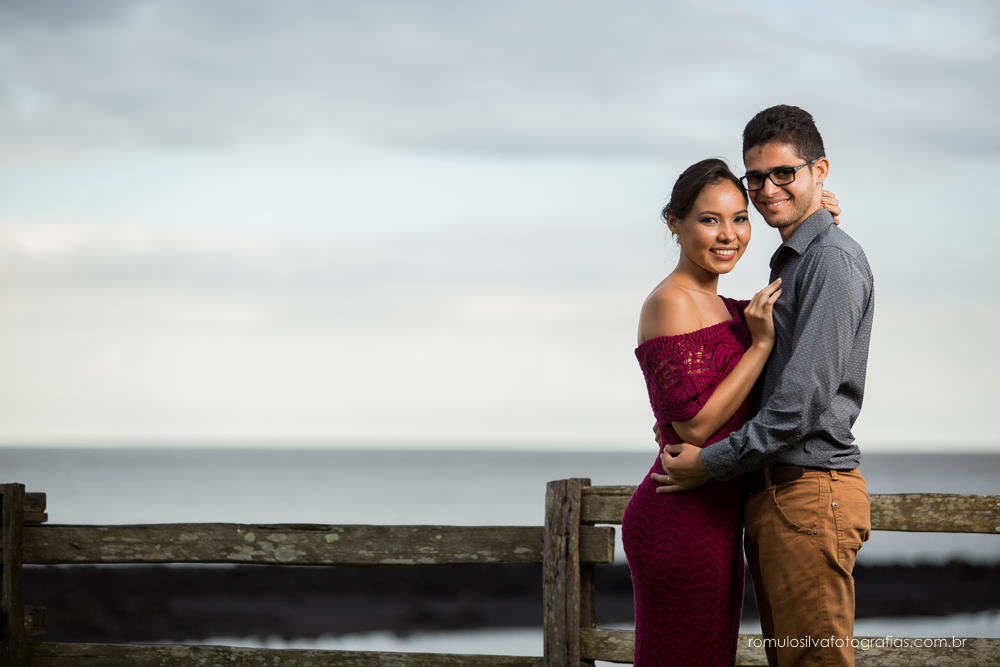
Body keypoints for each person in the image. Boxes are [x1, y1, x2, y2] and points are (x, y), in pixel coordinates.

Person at [657, 105, 874, 667]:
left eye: (785, 174)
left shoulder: (830, 262)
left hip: (809, 491)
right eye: (757, 178)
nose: (767, 189)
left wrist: (712, 463)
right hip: (779, 498)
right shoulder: (797, 261)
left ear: (819, 171)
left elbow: (799, 405)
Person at [620, 157, 841, 666]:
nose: (729, 235)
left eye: (740, 218)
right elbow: (695, 425)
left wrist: (820, 222)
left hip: (718, 515)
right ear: (673, 223)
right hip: (680, 517)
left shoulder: (730, 307)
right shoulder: (669, 302)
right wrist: (759, 346)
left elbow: (793, 299)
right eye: (709, 219)